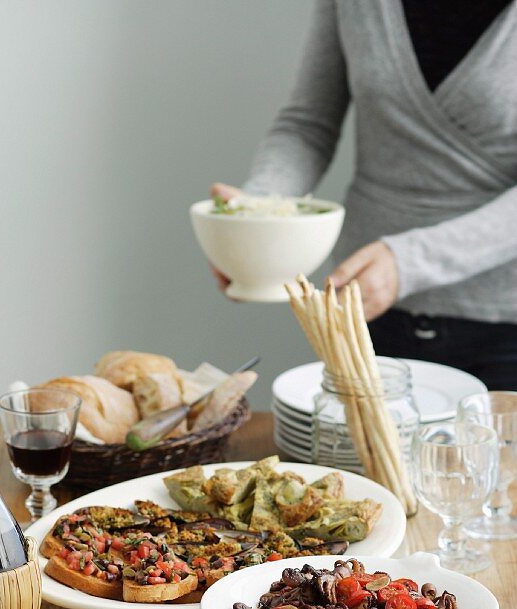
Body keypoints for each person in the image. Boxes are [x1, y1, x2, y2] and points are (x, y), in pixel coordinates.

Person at [211, 0, 517, 390]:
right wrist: (255, 214)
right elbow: (307, 125)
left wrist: (408, 262)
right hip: (365, 310)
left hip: (504, 325)